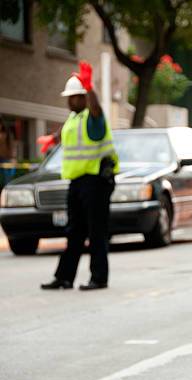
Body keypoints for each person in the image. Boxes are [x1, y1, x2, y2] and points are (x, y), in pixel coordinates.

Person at [41, 61, 119, 291]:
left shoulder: (93, 117)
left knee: (96, 231)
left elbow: (97, 112)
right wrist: (52, 139)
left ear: (84, 97)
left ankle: (99, 278)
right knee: (74, 231)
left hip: (96, 180)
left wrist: (90, 88)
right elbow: (66, 133)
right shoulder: (74, 118)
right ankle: (64, 277)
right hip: (77, 182)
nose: (69, 100)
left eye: (74, 96)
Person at [0, 117, 16, 188]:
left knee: (7, 177)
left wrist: (13, 157)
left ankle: (7, 190)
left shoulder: (7, 134)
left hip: (6, 158)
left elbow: (12, 146)